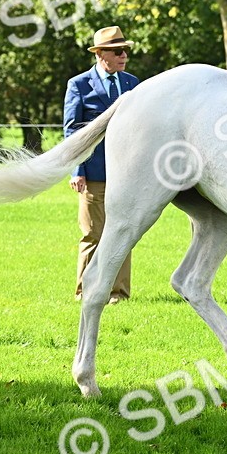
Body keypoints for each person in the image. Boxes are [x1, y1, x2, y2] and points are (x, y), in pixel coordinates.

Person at [64, 26, 140, 303]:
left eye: (126, 51)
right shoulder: (79, 85)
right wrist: (77, 169)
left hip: (127, 174)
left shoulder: (133, 84)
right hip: (94, 172)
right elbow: (73, 131)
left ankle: (118, 292)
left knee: (124, 232)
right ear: (100, 55)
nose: (124, 56)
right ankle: (85, 290)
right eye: (118, 51)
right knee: (93, 234)